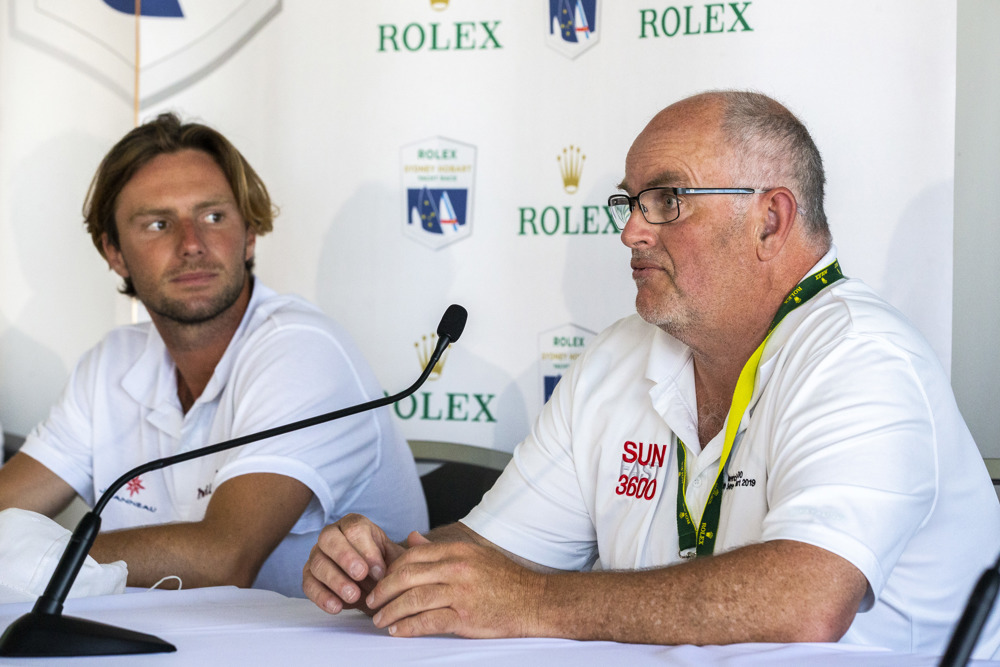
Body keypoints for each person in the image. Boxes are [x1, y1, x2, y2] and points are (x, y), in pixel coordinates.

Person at [302, 91, 1000, 657]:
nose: (631, 231)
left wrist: (531, 601)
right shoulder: (617, 356)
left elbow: (806, 602)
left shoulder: (863, 355)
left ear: (770, 219)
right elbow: (490, 554)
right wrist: (387, 566)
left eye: (667, 199)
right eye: (629, 201)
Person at [0, 113, 427, 597]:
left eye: (213, 217)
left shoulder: (303, 350)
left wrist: (31, 557)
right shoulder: (111, 362)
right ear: (114, 253)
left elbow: (225, 558)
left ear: (249, 235)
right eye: (158, 224)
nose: (191, 245)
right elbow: (8, 505)